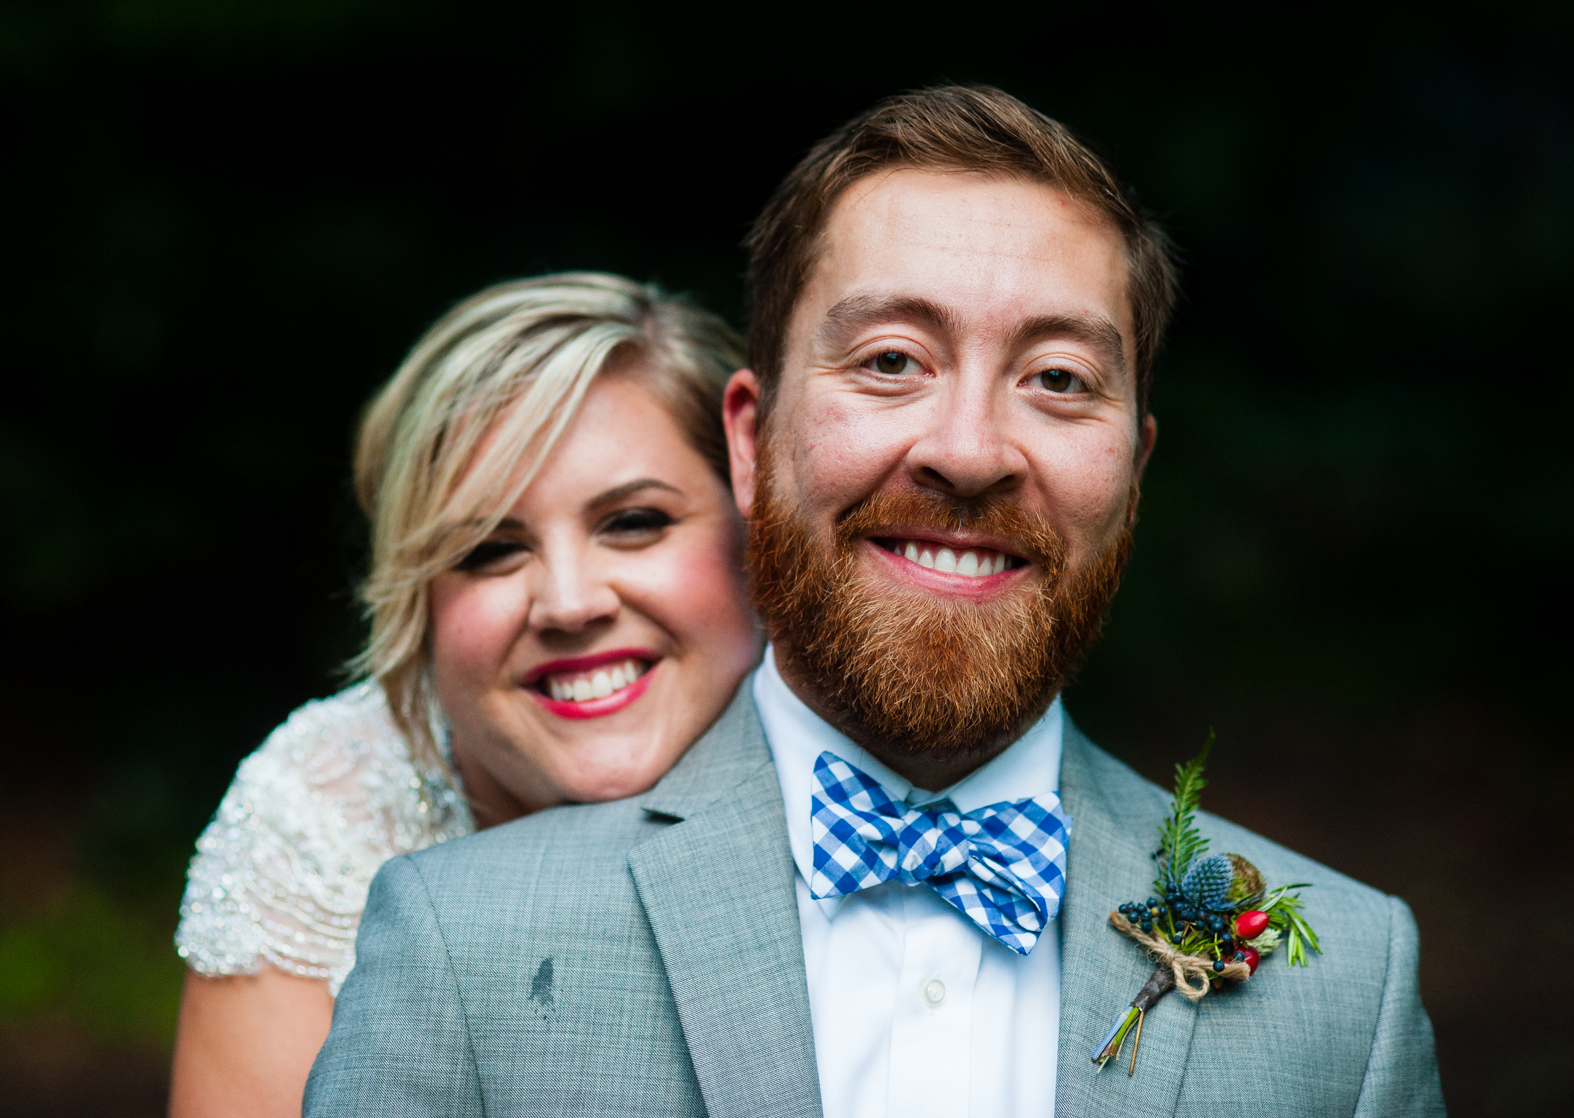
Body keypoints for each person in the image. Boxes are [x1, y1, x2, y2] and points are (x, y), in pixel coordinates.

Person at [306, 87, 1444, 1117]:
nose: (969, 451)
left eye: (1057, 377)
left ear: (1134, 473)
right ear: (751, 443)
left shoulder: (1346, 987)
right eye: (893, 360)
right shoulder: (462, 945)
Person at [167, 273, 761, 1117]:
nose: (568, 602)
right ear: (417, 597)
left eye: (633, 522)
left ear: (757, 523)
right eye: (490, 549)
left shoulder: (869, 769)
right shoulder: (318, 816)